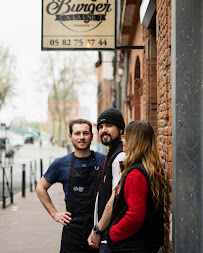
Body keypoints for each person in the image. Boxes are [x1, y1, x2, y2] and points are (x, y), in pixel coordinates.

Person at [36, 119, 106, 253]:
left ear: (92, 136)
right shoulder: (60, 164)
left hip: (98, 227)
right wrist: (55, 214)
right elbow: (40, 188)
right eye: (77, 133)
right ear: (70, 137)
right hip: (72, 229)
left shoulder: (104, 160)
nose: (81, 137)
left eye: (85, 133)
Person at [107, 121, 164, 252]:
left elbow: (135, 216)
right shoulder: (149, 168)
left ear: (134, 141)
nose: (122, 140)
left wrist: (113, 233)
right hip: (142, 244)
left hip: (132, 246)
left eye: (125, 137)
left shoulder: (136, 175)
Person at [88, 108, 126, 253]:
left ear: (120, 129)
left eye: (109, 125)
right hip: (106, 234)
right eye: (101, 127)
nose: (104, 130)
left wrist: (98, 230)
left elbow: (115, 198)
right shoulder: (111, 153)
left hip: (112, 238)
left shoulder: (121, 156)